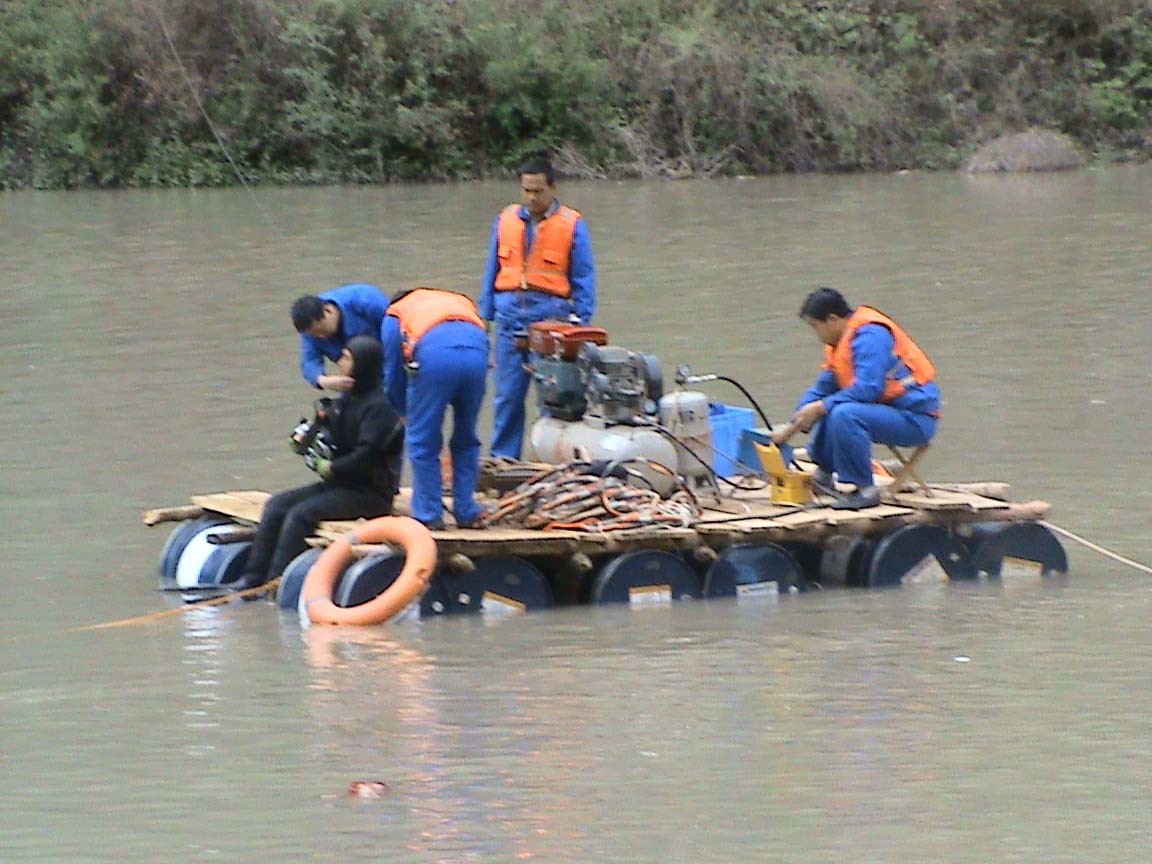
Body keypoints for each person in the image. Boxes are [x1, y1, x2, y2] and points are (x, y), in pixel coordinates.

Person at [233, 335, 404, 590]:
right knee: (277, 504)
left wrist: (332, 467)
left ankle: (275, 584)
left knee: (300, 515)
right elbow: (329, 435)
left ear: (364, 364)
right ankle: (251, 578)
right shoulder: (346, 400)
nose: (340, 362)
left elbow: (366, 455)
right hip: (339, 485)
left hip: (369, 493)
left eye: (347, 358)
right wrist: (306, 437)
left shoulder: (380, 407)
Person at [771, 287, 941, 510]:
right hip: (886, 411)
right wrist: (792, 424)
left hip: (914, 418)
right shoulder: (839, 344)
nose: (816, 334)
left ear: (832, 319)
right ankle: (824, 474)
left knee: (843, 413)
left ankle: (865, 489)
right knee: (829, 405)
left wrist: (819, 407)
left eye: (816, 327)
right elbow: (822, 389)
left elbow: (868, 389)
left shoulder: (871, 336)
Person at [478, 157, 596, 459]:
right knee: (506, 398)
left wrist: (578, 324)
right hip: (509, 322)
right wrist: (484, 318)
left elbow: (583, 277)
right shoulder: (505, 220)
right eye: (526, 190)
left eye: (538, 190)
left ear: (552, 188)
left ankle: (550, 462)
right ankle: (503, 462)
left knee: (554, 401)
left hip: (551, 322)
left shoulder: (571, 224)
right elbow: (492, 270)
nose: (532, 197)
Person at [381, 287, 489, 530]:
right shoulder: (456, 298)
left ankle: (429, 513)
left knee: (422, 441)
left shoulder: (394, 314)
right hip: (477, 354)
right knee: (466, 437)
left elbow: (392, 373)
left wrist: (402, 410)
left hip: (436, 357)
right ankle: (466, 510)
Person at [292, 283, 389, 391]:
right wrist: (323, 381)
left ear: (328, 310)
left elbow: (397, 330)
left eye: (321, 330)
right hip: (357, 378)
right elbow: (309, 361)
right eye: (315, 335)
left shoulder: (365, 300)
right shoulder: (310, 330)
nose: (321, 337)